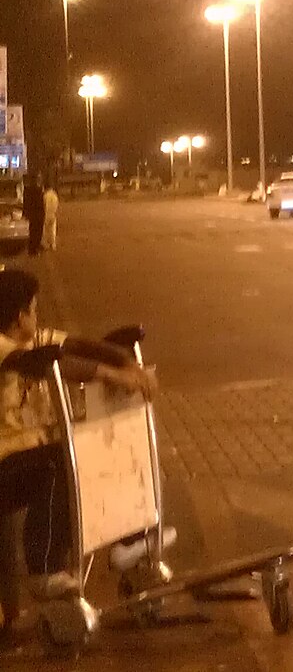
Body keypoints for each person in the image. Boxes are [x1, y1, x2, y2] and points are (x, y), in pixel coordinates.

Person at [0, 269, 159, 636]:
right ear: (20, 317)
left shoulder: (34, 338)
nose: (38, 316)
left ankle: (128, 542)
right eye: (34, 309)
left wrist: (126, 362)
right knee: (60, 462)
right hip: (7, 463)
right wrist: (109, 375)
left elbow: (77, 346)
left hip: (32, 457)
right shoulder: (7, 350)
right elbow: (54, 365)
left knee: (90, 450)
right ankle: (44, 568)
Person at [22, 177, 45, 257]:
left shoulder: (27, 190)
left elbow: (25, 203)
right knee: (37, 231)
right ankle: (34, 248)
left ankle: (33, 247)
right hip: (37, 214)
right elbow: (40, 203)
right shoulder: (38, 191)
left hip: (33, 214)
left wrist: (26, 213)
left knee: (33, 231)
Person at [40, 181, 58, 253]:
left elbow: (43, 204)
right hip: (53, 214)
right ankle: (53, 244)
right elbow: (56, 204)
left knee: (45, 230)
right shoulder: (54, 194)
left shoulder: (45, 195)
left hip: (46, 214)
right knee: (52, 230)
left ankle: (46, 244)